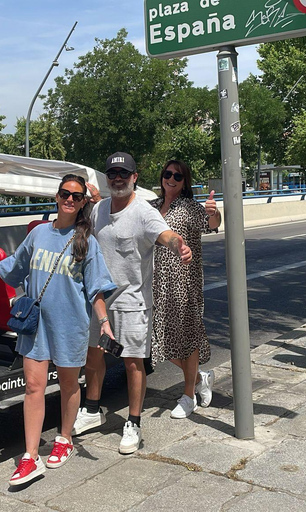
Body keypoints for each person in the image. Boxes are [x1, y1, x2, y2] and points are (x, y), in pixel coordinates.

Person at [0, 174, 116, 486]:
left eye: (76, 196)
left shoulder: (86, 241)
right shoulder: (39, 233)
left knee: (70, 384)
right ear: (57, 197)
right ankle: (30, 456)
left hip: (70, 324)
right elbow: (16, 264)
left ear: (84, 202)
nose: (69, 199)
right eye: (64, 194)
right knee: (33, 386)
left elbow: (96, 289)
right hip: (36, 324)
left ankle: (65, 437)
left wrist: (105, 323)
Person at [73, 152, 192, 455]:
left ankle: (134, 423)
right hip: (100, 300)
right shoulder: (99, 209)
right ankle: (92, 409)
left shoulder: (143, 211)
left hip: (132, 302)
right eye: (113, 173)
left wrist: (178, 244)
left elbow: (164, 234)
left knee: (132, 363)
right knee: (94, 356)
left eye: (124, 174)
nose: (118, 178)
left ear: (134, 177)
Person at [149, 160, 221, 419]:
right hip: (155, 283)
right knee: (158, 341)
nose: (171, 179)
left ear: (184, 181)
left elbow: (211, 224)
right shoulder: (152, 207)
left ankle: (188, 395)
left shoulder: (190, 208)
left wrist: (213, 212)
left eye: (177, 176)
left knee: (187, 337)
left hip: (184, 283)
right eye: (167, 174)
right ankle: (201, 377)